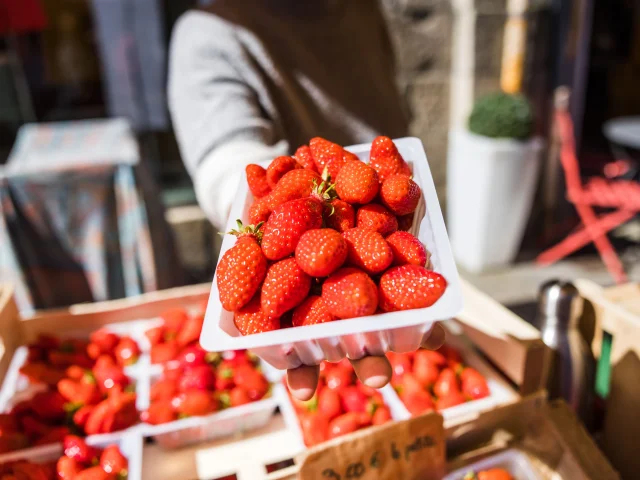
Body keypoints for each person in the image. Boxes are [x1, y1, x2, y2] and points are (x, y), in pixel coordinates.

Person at [168, 0, 445, 400]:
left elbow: (393, 132)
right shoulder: (209, 33)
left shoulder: (363, 10)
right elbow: (226, 163)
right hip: (306, 276)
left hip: (385, 221)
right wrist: (268, 206)